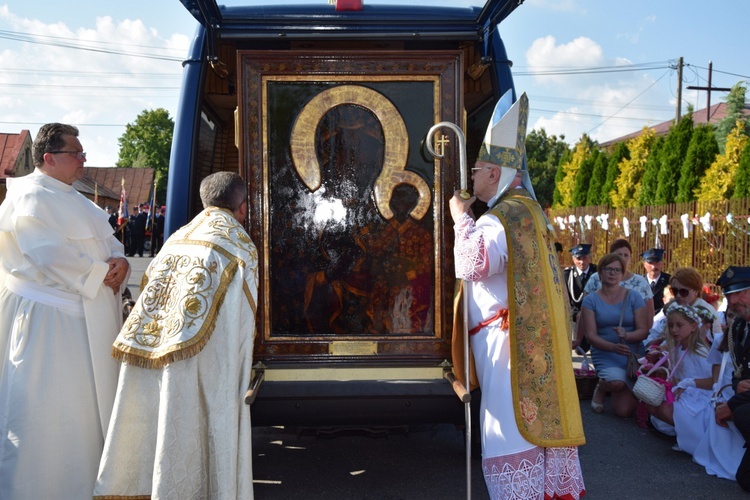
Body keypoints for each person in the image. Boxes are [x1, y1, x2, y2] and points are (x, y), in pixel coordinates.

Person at [450, 91, 585, 499]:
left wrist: (460, 219)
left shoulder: (502, 217)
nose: (471, 178)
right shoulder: (532, 212)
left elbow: (472, 264)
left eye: (476, 170)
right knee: (538, 442)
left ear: (494, 173)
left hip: (508, 351)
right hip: (529, 343)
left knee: (510, 438)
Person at [94, 171, 258, 499]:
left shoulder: (178, 236)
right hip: (203, 361)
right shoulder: (237, 242)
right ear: (242, 207)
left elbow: (148, 285)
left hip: (155, 346)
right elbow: (243, 319)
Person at [0, 123, 129, 498]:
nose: (84, 160)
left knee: (85, 415)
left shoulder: (76, 199)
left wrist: (119, 262)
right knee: (49, 413)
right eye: (77, 153)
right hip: (50, 326)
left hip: (87, 319)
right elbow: (48, 255)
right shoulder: (29, 197)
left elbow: (109, 242)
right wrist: (99, 272)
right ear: (49, 158)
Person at [580, 253, 649, 417]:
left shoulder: (634, 297)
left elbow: (643, 330)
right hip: (605, 353)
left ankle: (623, 387)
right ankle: (602, 387)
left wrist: (628, 335)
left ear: (622, 273)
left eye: (617, 270)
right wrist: (613, 347)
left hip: (632, 354)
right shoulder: (590, 300)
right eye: (608, 269)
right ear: (600, 272)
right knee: (617, 383)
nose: (613, 273)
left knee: (624, 412)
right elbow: (591, 336)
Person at [645, 304, 714, 456]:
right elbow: (677, 376)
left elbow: (714, 381)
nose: (674, 330)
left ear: (693, 326)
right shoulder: (676, 349)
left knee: (665, 408)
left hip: (702, 396)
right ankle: (683, 434)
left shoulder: (700, 351)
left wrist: (689, 384)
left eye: (679, 325)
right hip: (684, 391)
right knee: (652, 403)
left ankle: (696, 437)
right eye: (671, 326)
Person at [714, 266, 750, 491]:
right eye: (729, 294)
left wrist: (732, 404)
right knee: (744, 479)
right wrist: (739, 385)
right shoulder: (738, 326)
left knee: (742, 413)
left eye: (741, 292)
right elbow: (738, 370)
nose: (734, 299)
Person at [668, 267, 722, 344]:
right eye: (674, 291)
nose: (678, 295)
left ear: (696, 291)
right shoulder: (674, 306)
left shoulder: (705, 311)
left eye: (683, 292)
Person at [565, 243, 596, 351]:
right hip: (575, 312)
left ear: (589, 257)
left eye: (584, 258)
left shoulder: (596, 272)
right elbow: (566, 298)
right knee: (580, 350)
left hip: (594, 312)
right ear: (573, 259)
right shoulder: (567, 274)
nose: (582, 262)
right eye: (578, 258)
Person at [642, 248, 670, 315]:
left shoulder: (669, 280)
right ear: (644, 265)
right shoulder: (639, 282)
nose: (654, 266)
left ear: (662, 264)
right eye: (650, 263)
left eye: (657, 263)